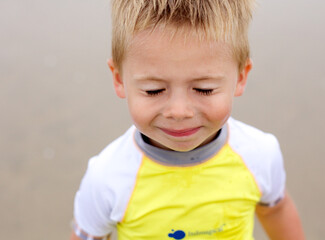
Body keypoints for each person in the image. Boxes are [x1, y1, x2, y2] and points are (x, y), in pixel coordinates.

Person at [70, 0, 305, 239]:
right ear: (119, 79)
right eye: (154, 90)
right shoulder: (107, 177)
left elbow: (276, 210)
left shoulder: (259, 155)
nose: (179, 111)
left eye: (204, 89)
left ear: (241, 77)